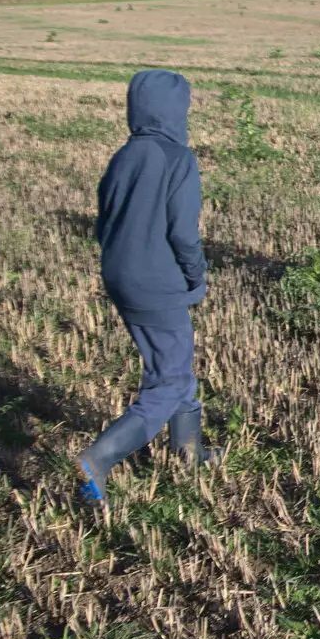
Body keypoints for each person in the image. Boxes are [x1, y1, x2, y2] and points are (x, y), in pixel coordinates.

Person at [78, 69, 215, 504]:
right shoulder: (178, 159)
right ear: (177, 111)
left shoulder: (125, 155)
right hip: (157, 282)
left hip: (120, 274)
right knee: (169, 380)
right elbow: (183, 233)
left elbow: (104, 221)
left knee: (171, 361)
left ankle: (188, 453)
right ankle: (100, 457)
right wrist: (196, 275)